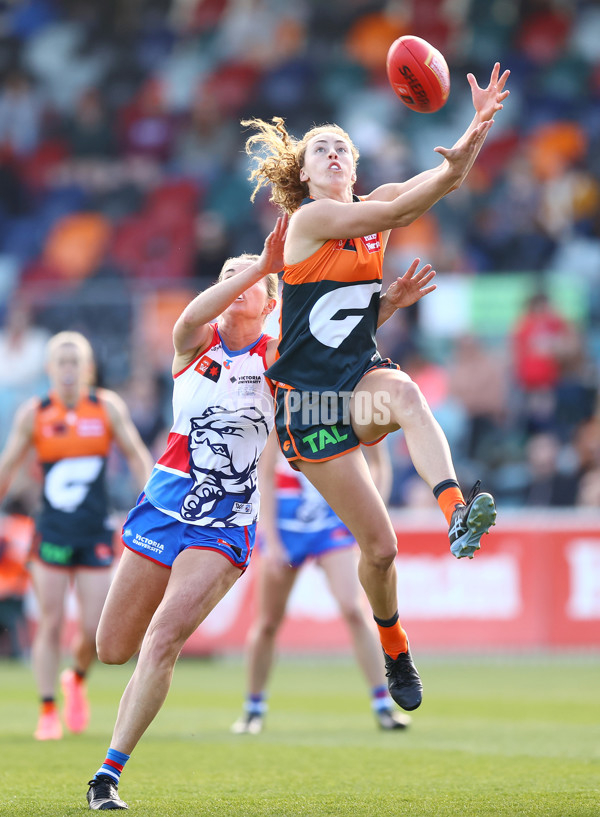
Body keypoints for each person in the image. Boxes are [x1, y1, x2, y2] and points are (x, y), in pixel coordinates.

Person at [242, 62, 509, 713]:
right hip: (308, 406)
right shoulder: (309, 221)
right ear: (305, 175)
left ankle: (456, 514)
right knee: (381, 550)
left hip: (358, 380)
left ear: (354, 166)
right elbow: (409, 205)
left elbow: (442, 182)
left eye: (341, 146)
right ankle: (395, 646)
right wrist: (457, 155)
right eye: (320, 148)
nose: (333, 152)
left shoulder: (373, 208)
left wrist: (476, 127)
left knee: (408, 395)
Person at [84, 218, 287, 811]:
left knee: (163, 638)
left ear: (270, 302)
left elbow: (337, 353)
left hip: (224, 521)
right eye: (225, 275)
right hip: (163, 506)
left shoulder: (277, 355)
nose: (232, 284)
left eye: (246, 279)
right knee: (112, 648)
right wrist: (258, 267)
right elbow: (190, 314)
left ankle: (107, 774)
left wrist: (387, 308)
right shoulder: (194, 342)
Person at [0, 331, 154, 741]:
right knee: (50, 621)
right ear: (49, 369)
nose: (68, 370)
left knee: (93, 629)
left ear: (87, 369)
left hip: (93, 530)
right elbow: (9, 464)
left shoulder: (105, 407)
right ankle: (48, 709)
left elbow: (136, 454)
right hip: (51, 530)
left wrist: (151, 500)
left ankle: (76, 678)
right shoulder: (36, 413)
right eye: (61, 362)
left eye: (75, 362)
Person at [232, 433, 410, 733]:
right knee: (267, 622)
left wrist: (368, 519)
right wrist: (271, 539)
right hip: (287, 524)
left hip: (332, 520)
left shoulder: (352, 406)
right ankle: (253, 709)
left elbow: (379, 464)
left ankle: (384, 704)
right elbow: (266, 473)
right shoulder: (283, 410)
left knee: (353, 609)